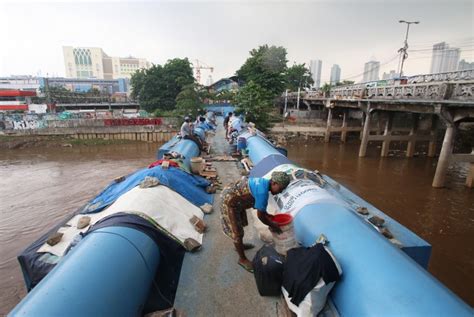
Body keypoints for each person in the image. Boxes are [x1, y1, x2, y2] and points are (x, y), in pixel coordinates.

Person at [220, 171, 291, 272]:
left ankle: (240, 246)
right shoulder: (263, 192)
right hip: (230, 201)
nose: (281, 192)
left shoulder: (264, 182)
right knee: (237, 232)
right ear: (274, 183)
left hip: (235, 196)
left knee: (240, 224)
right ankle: (242, 259)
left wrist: (268, 216)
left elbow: (261, 210)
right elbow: (261, 216)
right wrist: (273, 225)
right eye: (281, 188)